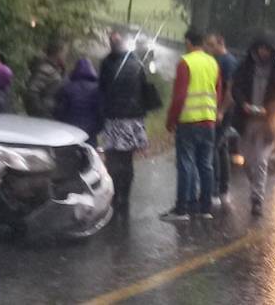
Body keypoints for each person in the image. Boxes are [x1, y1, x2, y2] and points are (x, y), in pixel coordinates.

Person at [160, 28, 222, 222]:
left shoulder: (185, 63)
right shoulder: (213, 63)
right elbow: (217, 92)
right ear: (202, 42)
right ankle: (205, 208)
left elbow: (179, 96)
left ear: (188, 42)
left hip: (188, 122)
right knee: (206, 165)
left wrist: (171, 121)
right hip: (208, 122)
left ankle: (182, 209)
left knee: (186, 164)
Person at [227, 29, 275, 217]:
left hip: (268, 123)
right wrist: (243, 104)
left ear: (273, 51)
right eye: (261, 48)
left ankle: (257, 199)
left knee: (261, 161)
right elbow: (235, 89)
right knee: (247, 162)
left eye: (267, 49)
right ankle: (255, 186)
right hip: (245, 122)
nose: (264, 52)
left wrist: (270, 110)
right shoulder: (243, 68)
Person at [98, 31, 157, 215]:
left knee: (113, 159)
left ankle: (115, 196)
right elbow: (143, 88)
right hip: (133, 118)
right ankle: (125, 196)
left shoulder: (106, 64)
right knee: (127, 160)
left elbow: (102, 90)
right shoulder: (136, 63)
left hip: (114, 118)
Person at [205, 33, 239, 207]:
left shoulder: (228, 62)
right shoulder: (220, 61)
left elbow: (231, 91)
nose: (208, 49)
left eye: (211, 45)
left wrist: (221, 111)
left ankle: (216, 190)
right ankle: (223, 190)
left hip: (224, 112)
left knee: (214, 148)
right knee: (222, 149)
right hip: (219, 111)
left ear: (221, 43)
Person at [55, 58, 102, 146]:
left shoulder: (67, 87)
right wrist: (97, 128)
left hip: (70, 128)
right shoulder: (97, 89)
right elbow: (101, 111)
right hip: (90, 131)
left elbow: (60, 110)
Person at [24, 41, 66, 118]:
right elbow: (32, 92)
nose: (65, 56)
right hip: (43, 115)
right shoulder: (45, 69)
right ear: (58, 53)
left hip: (49, 113)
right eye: (63, 53)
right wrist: (40, 112)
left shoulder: (55, 70)